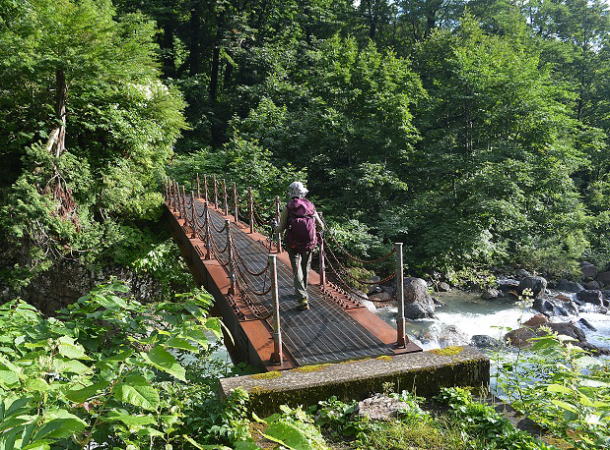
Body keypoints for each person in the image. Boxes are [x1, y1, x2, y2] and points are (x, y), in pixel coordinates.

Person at [275, 181, 324, 310]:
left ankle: (302, 297)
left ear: (290, 193)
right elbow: (321, 226)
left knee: (297, 270)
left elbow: (281, 228)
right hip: (309, 243)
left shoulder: (288, 207)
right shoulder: (310, 206)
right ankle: (304, 290)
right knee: (305, 266)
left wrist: (276, 229)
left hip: (293, 244)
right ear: (303, 192)